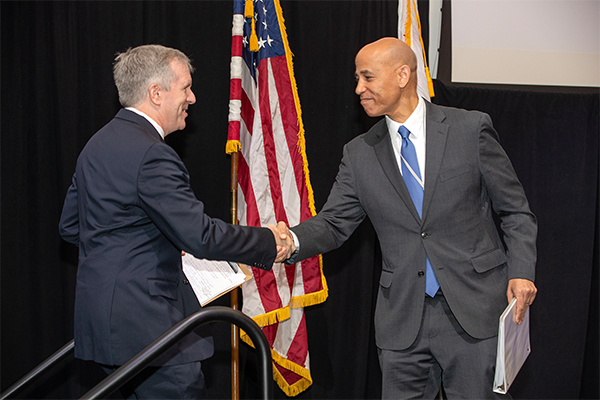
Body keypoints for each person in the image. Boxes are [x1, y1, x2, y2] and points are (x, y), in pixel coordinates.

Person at [278, 37, 537, 398]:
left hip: (474, 311)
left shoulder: (470, 129)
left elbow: (516, 211)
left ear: (402, 75)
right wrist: (291, 240)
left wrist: (522, 271)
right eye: (357, 79)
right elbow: (335, 223)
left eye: (367, 77)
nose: (359, 89)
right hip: (402, 320)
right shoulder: (359, 154)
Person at [59, 44, 290, 399]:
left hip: (103, 327)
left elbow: (72, 227)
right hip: (147, 326)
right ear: (156, 93)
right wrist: (267, 241)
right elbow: (199, 235)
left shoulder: (96, 145)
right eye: (185, 87)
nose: (193, 98)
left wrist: (146, 246)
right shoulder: (151, 153)